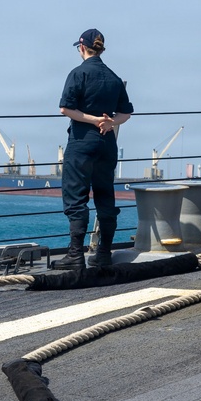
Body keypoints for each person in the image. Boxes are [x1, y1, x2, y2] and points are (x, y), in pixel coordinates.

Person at [54, 28, 134, 270]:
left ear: (82, 48)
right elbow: (126, 113)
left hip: (82, 142)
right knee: (105, 195)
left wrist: (93, 119)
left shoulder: (78, 73)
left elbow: (65, 108)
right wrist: (109, 122)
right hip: (106, 143)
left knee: (76, 197)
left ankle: (75, 255)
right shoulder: (113, 77)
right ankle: (104, 254)